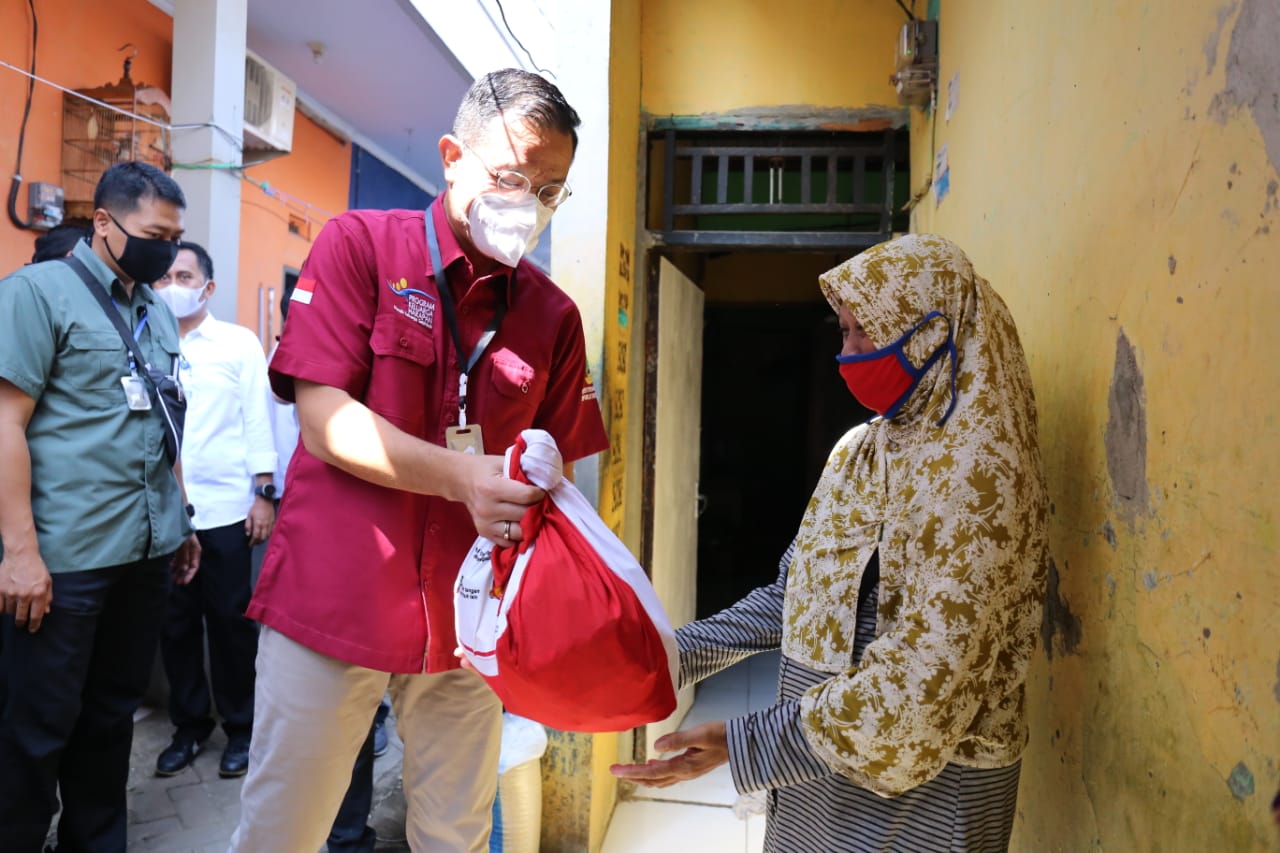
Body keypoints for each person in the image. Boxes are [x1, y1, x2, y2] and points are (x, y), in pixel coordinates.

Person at [230, 68, 609, 853]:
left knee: (456, 835)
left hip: (469, 620)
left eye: (550, 190)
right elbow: (326, 419)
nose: (527, 203)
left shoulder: (554, 316)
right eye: (511, 177)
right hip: (334, 604)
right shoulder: (361, 246)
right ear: (450, 156)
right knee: (283, 832)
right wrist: (464, 475)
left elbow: (559, 463)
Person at [612, 234, 1050, 852]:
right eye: (840, 332)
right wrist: (671, 659)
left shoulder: (982, 481)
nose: (846, 355)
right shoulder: (861, 451)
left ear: (927, 327)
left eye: (862, 331)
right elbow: (797, 595)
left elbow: (920, 697)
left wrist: (749, 744)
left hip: (928, 797)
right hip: (820, 774)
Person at [0, 160, 201, 852]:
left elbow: (161, 422)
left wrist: (182, 516)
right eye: (155, 234)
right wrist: (21, 553)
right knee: (35, 729)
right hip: (65, 561)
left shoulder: (155, 312)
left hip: (144, 553)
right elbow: (5, 425)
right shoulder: (38, 293)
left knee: (111, 719)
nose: (168, 251)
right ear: (105, 224)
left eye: (176, 238)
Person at [265, 279, 391, 853]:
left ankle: (349, 837)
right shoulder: (309, 354)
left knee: (359, 725)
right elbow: (313, 428)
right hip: (326, 567)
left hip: (406, 576)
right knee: (315, 738)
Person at [151, 242, 277, 780]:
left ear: (208, 287)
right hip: (165, 515)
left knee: (230, 627)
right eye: (164, 277)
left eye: (184, 275)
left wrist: (263, 492)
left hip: (226, 510)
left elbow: (257, 417)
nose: (171, 285)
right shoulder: (143, 342)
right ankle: (189, 726)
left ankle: (242, 729)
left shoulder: (236, 344)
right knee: (174, 627)